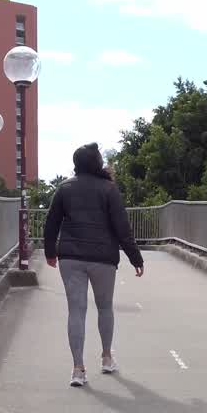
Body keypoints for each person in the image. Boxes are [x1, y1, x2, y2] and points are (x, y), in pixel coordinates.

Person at [43, 143, 144, 387]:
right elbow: (122, 227)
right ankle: (107, 358)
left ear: (76, 163)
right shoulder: (109, 189)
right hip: (103, 258)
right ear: (97, 163)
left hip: (71, 257)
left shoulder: (64, 188)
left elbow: (51, 223)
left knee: (76, 311)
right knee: (104, 307)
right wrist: (135, 258)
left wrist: (50, 252)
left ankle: (78, 369)